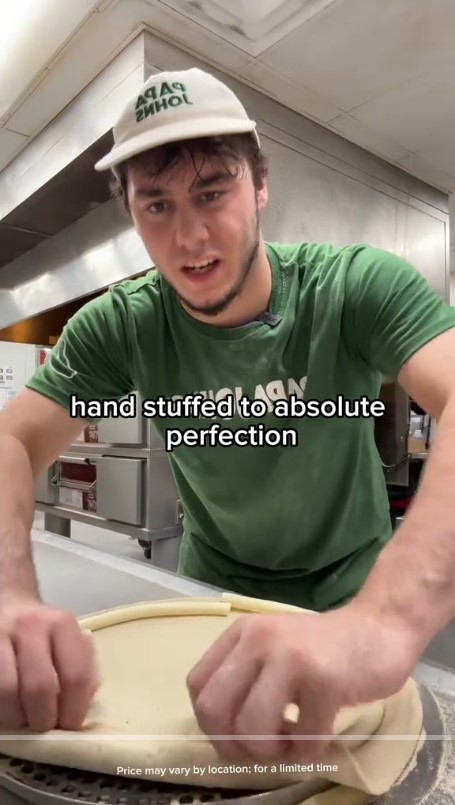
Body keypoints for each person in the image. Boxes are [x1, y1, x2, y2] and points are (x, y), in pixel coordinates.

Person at [1, 66, 455, 764]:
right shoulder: (124, 329)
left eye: (213, 192)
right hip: (214, 590)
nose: (189, 237)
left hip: (350, 585)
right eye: (156, 205)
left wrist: (382, 622)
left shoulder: (353, 288)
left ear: (260, 185)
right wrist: (8, 592)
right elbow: (15, 436)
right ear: (131, 215)